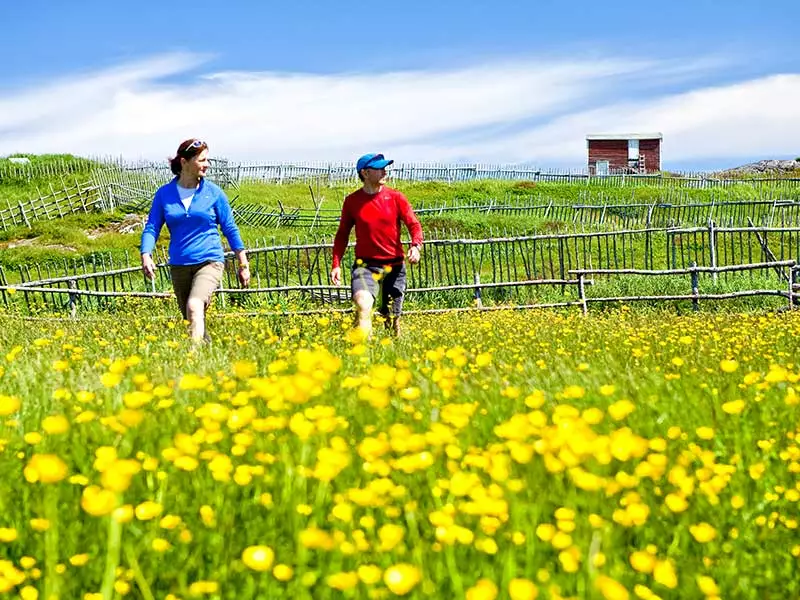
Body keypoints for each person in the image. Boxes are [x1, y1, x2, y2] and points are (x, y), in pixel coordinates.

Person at [140, 139, 250, 342]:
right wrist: (146, 254)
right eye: (202, 160)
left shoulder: (214, 193)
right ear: (184, 162)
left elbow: (230, 228)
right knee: (191, 318)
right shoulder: (164, 195)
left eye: (207, 159)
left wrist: (243, 263)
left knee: (195, 305)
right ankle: (208, 359)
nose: (207, 164)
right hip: (180, 264)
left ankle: (194, 358)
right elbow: (152, 227)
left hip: (209, 261)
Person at [331, 153, 423, 337]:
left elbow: (414, 224)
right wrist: (336, 264)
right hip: (365, 266)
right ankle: (364, 355)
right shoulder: (352, 202)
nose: (384, 171)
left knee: (391, 319)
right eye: (379, 168)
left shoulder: (396, 197)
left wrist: (416, 246)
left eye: (384, 167)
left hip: (394, 266)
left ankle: (391, 353)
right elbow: (342, 234)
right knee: (363, 305)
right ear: (365, 173)